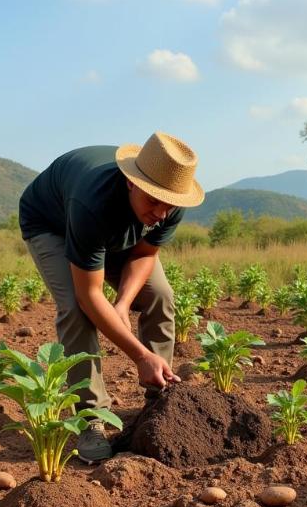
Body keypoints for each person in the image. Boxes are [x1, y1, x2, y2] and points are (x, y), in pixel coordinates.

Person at [19, 131, 205, 463]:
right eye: (154, 202)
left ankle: (159, 397)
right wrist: (139, 355)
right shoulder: (93, 202)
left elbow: (145, 254)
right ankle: (90, 417)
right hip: (53, 223)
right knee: (76, 310)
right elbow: (89, 294)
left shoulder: (169, 200)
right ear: (132, 183)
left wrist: (121, 303)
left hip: (118, 229)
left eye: (169, 205)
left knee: (160, 294)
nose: (162, 213)